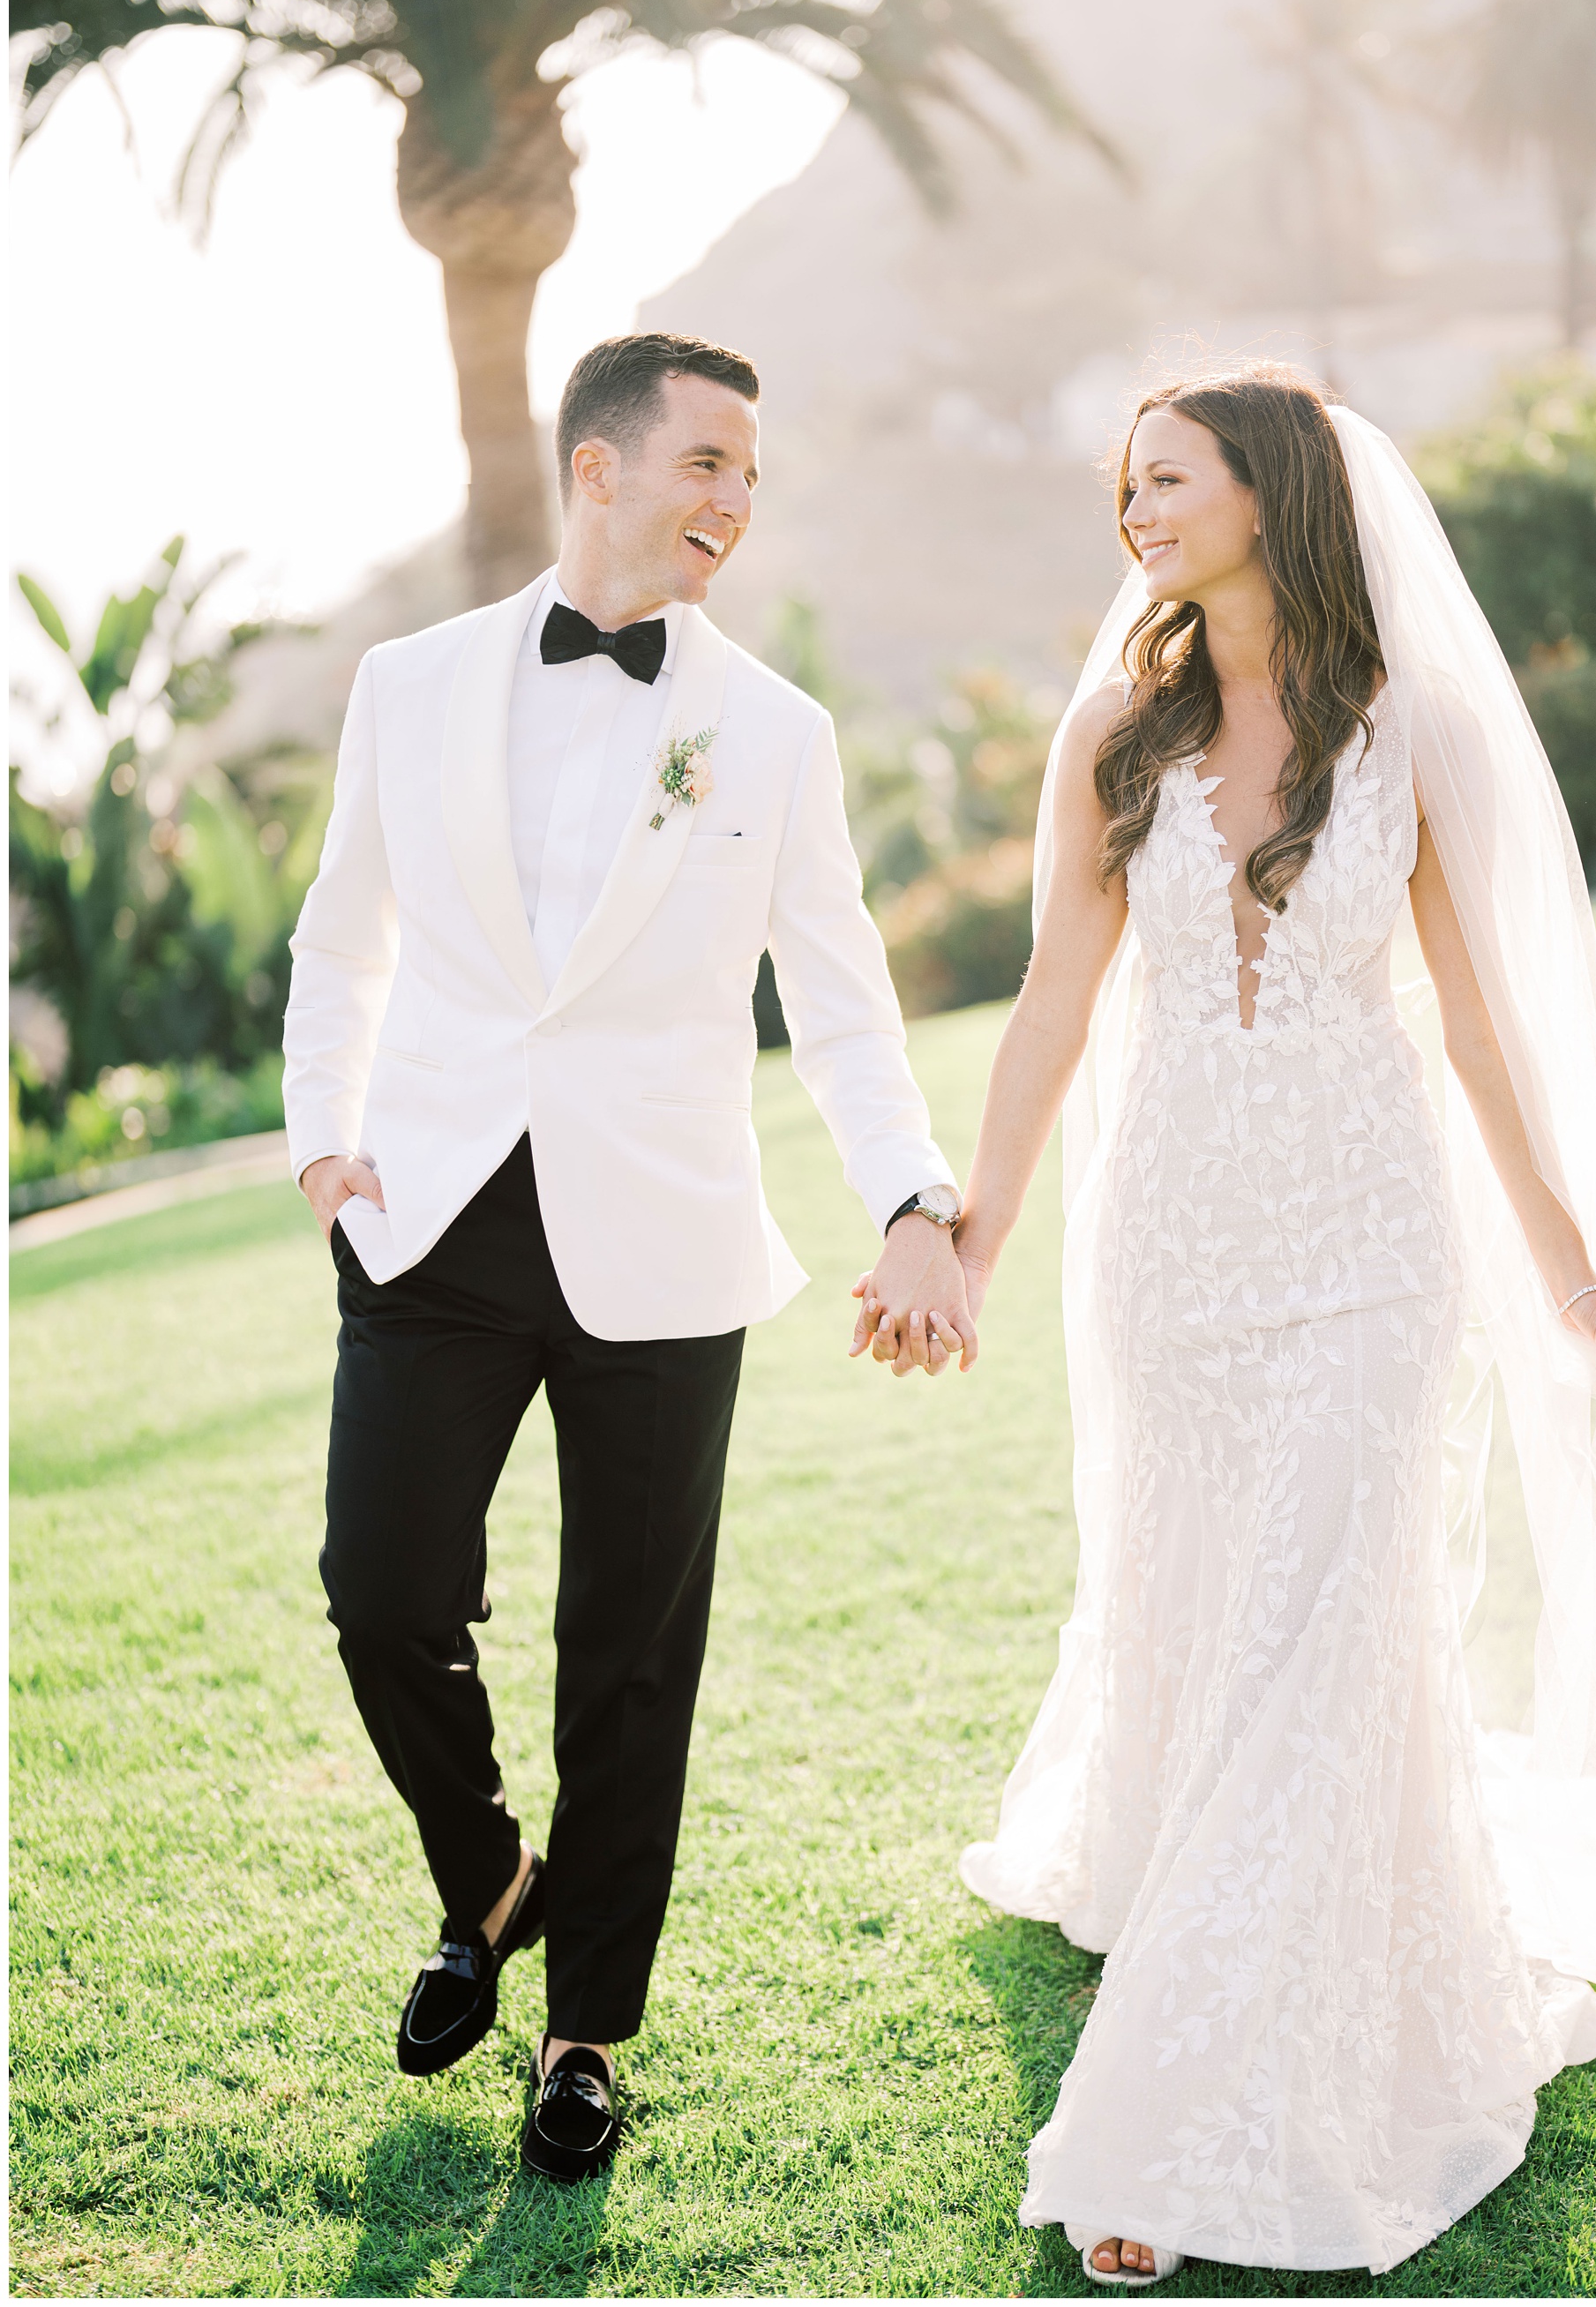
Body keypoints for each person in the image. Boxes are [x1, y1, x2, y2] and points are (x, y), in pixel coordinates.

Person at [952, 363, 1596, 2283]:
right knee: (1205, 1609)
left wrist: (1570, 1272)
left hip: (1369, 1247)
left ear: (1270, 493)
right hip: (1173, 1245)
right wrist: (969, 1241)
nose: (1136, 513)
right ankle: (1229, 1909)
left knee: (1318, 1634)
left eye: (1169, 478)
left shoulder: (1414, 726)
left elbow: (1478, 1025)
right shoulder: (1117, 732)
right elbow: (1053, 1002)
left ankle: (1169, 2121)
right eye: (1127, 484)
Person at [282, 330, 973, 2184]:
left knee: (630, 1654)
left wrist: (909, 1199)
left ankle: (584, 2031)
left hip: (664, 1235)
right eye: (708, 463)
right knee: (381, 1589)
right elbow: (342, 935)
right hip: (430, 1212)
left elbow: (841, 1001)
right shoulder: (410, 684)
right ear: (598, 468)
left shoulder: (777, 730)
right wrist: (323, 1138)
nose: (736, 502)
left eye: (751, 475)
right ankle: (490, 1878)